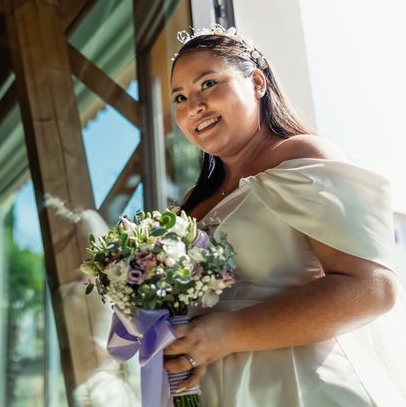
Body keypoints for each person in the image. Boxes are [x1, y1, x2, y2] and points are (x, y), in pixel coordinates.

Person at [162, 25, 406, 406]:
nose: (194, 105)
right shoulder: (192, 203)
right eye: (180, 97)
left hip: (301, 387)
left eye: (208, 84)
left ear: (257, 83)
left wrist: (228, 334)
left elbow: (372, 289)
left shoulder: (300, 157)